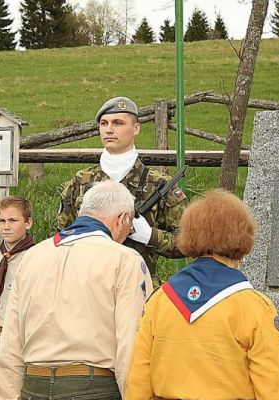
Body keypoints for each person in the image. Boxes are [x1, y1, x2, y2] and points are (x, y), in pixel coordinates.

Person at [122, 189, 279, 400]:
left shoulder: (160, 300)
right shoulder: (254, 306)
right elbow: (275, 391)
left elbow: (139, 382)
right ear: (242, 238)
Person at [0, 180, 151, 400]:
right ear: (122, 219)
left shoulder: (34, 255)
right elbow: (130, 341)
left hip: (35, 386)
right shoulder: (124, 258)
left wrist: (7, 398)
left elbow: (12, 334)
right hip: (92, 390)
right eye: (129, 226)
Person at [57, 96, 187, 284]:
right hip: (87, 287)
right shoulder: (81, 181)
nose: (109, 129)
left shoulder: (158, 185)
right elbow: (60, 236)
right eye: (104, 123)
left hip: (138, 286)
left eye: (118, 123)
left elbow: (187, 243)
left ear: (136, 128)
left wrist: (150, 235)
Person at [0, 196, 35, 400]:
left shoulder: (36, 258)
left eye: (13, 220)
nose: (6, 226)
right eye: (1, 220)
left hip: (20, 337)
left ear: (28, 223)